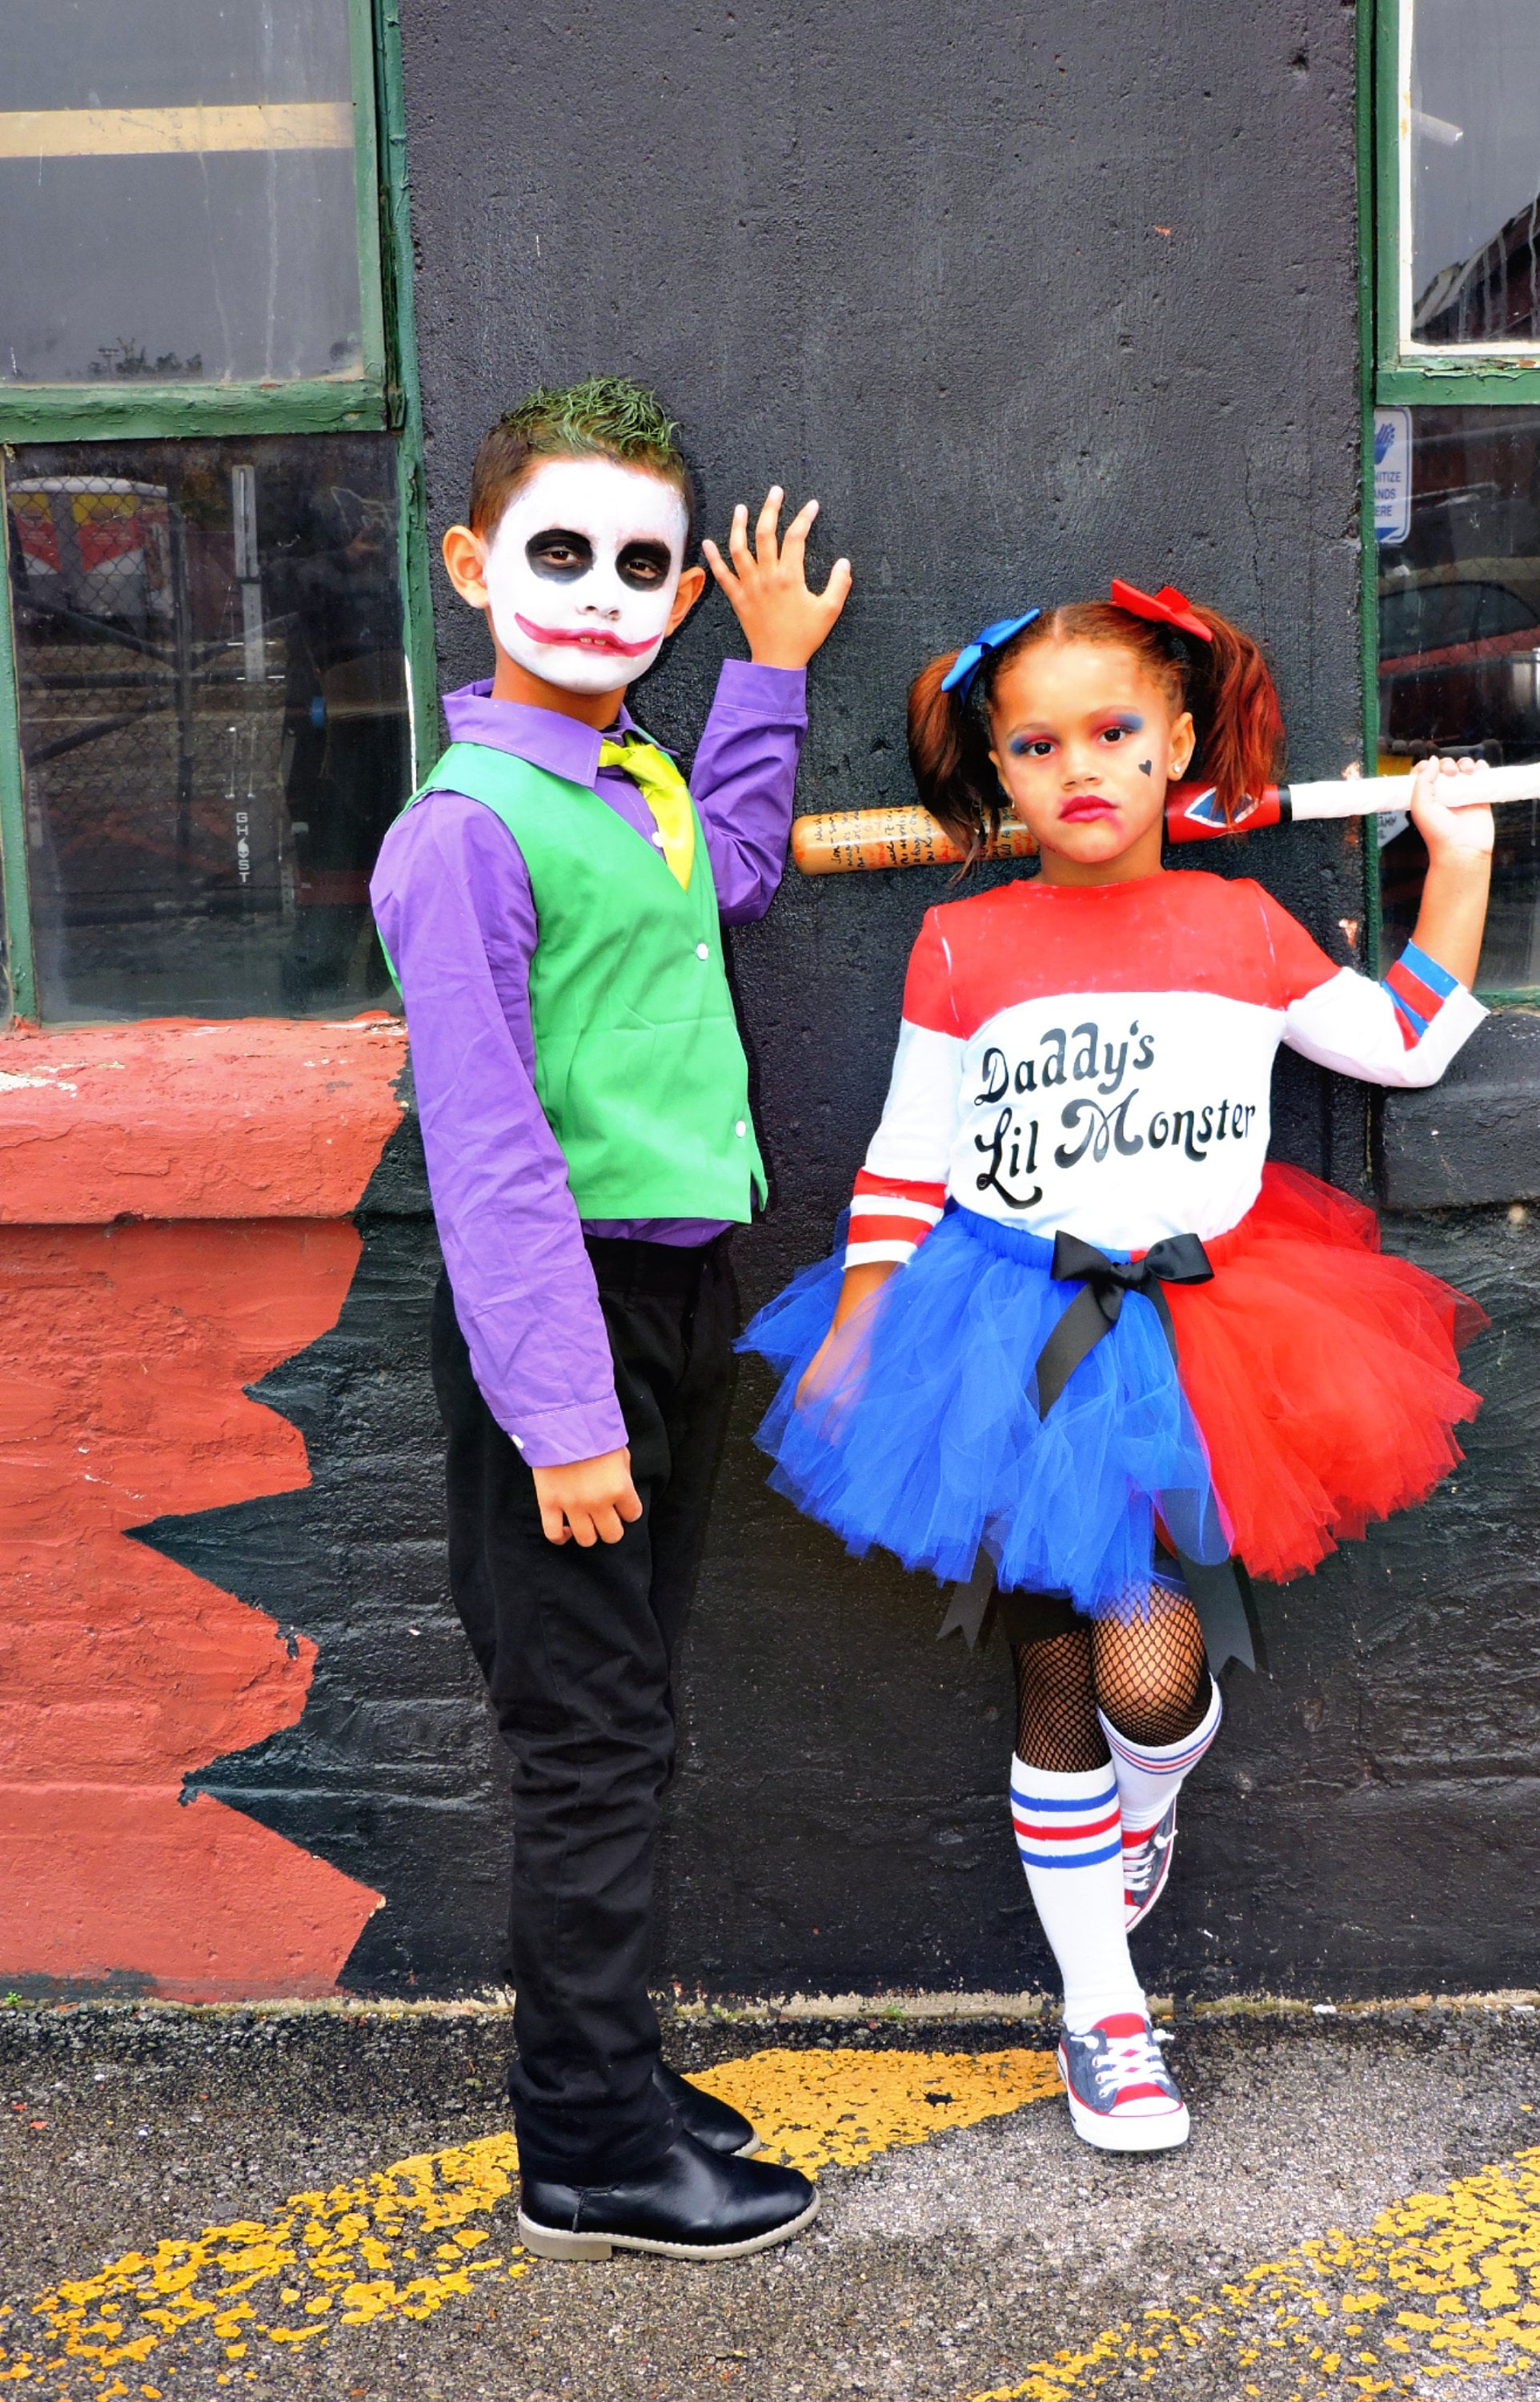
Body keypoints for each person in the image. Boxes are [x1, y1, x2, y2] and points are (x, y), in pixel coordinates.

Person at [741, 583, 1491, 2153]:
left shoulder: (1241, 926)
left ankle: (1146, 1810)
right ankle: (1106, 2011)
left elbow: (1405, 1041)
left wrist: (1459, 865)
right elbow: (903, 1157)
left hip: (1202, 1332)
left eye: (1114, 732)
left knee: (1156, 1686)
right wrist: (868, 1317)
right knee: (1055, 1668)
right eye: (1036, 742)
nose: (1078, 766)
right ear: (999, 772)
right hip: (998, 1334)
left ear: (1179, 749)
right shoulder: (965, 943)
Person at [371, 377, 850, 2261]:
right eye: (559, 553)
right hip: (552, 1332)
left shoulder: (632, 772)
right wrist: (565, 1418)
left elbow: (722, 873)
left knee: (632, 1716)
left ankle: (618, 2071)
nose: (601, 592)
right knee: (584, 1741)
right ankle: (580, 2144)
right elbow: (486, 1158)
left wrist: (771, 673)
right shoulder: (467, 830)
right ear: (475, 564)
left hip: (670, 1297)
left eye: (642, 564)